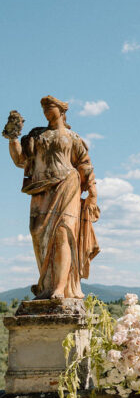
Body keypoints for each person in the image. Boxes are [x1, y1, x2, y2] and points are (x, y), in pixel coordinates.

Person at [5, 95, 100, 300]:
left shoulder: (72, 137)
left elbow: (85, 164)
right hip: (41, 189)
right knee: (39, 234)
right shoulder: (37, 136)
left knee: (62, 233)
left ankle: (60, 287)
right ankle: (47, 285)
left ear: (62, 111)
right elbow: (20, 160)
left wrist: (92, 193)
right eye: (44, 108)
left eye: (50, 107)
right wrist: (13, 137)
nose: (47, 111)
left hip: (68, 186)